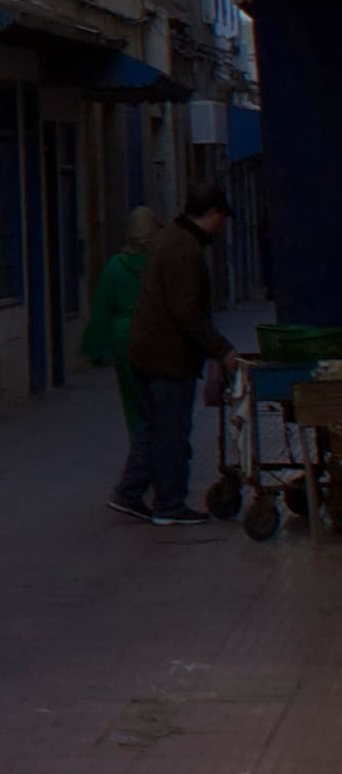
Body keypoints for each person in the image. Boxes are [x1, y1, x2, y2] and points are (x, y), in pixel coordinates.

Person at [109, 184, 237, 530]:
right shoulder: (184, 249)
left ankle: (129, 491)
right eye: (222, 218)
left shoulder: (171, 238)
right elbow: (187, 312)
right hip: (167, 357)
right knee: (171, 432)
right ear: (212, 214)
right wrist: (222, 350)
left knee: (152, 428)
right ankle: (169, 503)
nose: (223, 226)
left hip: (146, 351)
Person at [81, 202, 157, 449]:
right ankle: (158, 449)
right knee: (158, 397)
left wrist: (92, 348)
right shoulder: (158, 264)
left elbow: (102, 308)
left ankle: (139, 448)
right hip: (154, 334)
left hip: (124, 338)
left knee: (132, 398)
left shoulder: (116, 266)